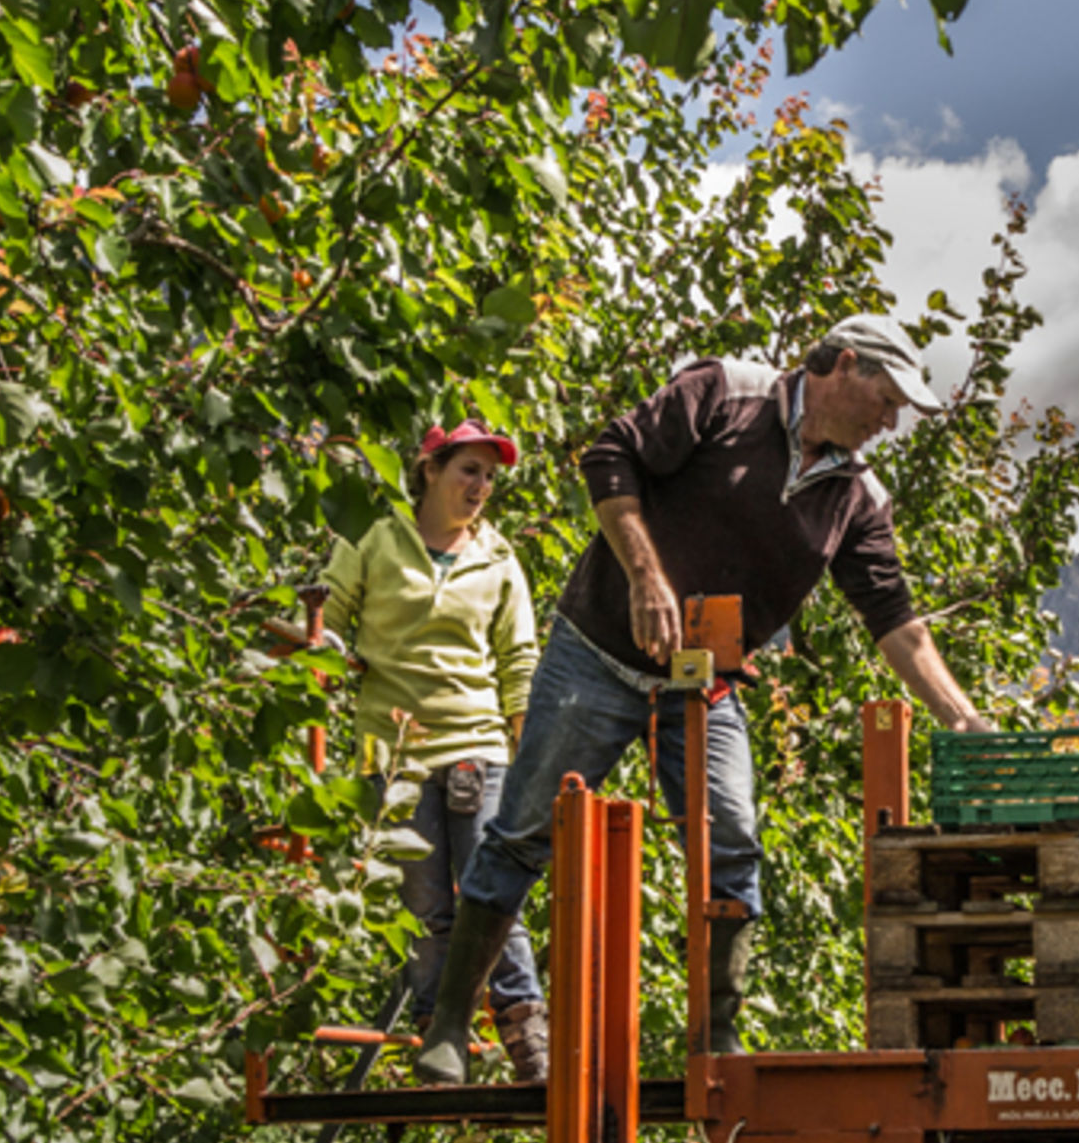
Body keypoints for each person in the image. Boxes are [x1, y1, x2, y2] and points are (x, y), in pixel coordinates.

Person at [411, 315, 994, 1081]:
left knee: (733, 844)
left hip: (704, 683)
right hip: (597, 654)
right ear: (844, 366)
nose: (889, 423)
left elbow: (894, 620)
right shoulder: (728, 393)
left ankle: (716, 1046)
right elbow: (610, 455)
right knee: (521, 829)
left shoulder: (857, 495)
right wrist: (647, 576)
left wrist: (964, 719)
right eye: (885, 401)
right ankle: (448, 1028)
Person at [305, 416, 549, 1080]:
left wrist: (530, 760)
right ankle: (438, 1037)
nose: (480, 488)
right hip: (394, 752)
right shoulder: (377, 540)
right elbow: (334, 615)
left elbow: (518, 661)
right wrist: (313, 641)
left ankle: (527, 1033)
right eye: (469, 471)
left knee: (491, 892)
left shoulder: (498, 559)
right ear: (430, 470)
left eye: (490, 478)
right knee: (425, 907)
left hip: (477, 741)